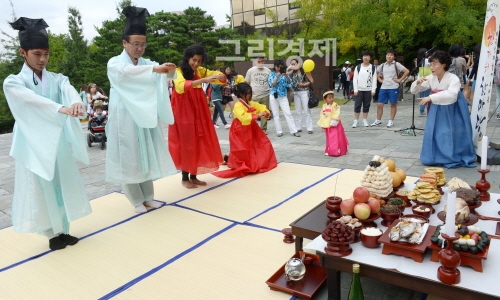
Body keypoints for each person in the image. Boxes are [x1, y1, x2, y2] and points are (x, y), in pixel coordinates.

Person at [3, 17, 91, 250]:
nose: (43, 59)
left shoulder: (56, 78)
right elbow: (30, 101)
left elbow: (68, 89)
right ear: (23, 52)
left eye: (46, 54)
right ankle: (51, 232)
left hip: (56, 139)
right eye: (37, 54)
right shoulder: (14, 82)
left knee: (61, 182)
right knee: (41, 185)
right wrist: (59, 108)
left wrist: (75, 103)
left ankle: (63, 228)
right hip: (32, 141)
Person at [106, 6, 178, 213]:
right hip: (125, 118)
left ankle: (148, 196)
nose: (140, 48)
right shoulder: (115, 63)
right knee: (128, 157)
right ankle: (136, 200)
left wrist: (168, 70)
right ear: (124, 43)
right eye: (136, 44)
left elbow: (159, 74)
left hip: (144, 116)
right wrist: (154, 69)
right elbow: (127, 72)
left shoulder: (147, 62)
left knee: (144, 155)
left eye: (143, 44)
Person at [169, 44, 227, 189]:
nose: (196, 64)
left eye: (199, 61)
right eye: (194, 60)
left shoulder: (200, 70)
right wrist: (203, 81)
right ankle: (184, 177)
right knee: (186, 141)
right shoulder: (178, 71)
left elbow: (215, 75)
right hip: (183, 109)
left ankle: (194, 176)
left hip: (198, 109)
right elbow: (181, 87)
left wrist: (219, 76)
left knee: (198, 139)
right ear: (188, 58)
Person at [410, 50, 476, 168]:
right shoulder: (431, 78)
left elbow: (452, 94)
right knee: (434, 131)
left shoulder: (452, 78)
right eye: (430, 64)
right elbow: (414, 91)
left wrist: (431, 97)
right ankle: (435, 156)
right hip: (436, 107)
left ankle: (451, 155)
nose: (432, 67)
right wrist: (417, 83)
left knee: (450, 132)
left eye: (435, 64)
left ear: (444, 64)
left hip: (453, 108)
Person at [212, 83, 277, 178]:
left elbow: (261, 107)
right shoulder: (238, 105)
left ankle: (228, 158)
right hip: (240, 130)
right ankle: (227, 158)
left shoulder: (251, 103)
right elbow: (243, 118)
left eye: (251, 93)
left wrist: (266, 112)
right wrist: (258, 115)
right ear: (241, 94)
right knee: (243, 150)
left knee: (261, 144)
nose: (250, 95)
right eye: (248, 93)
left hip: (251, 128)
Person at [372, 49, 409, 128]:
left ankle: (391, 121)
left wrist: (399, 80)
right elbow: (375, 72)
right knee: (379, 104)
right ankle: (378, 120)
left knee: (393, 104)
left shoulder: (396, 64)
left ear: (394, 57)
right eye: (388, 55)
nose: (389, 56)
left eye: (391, 55)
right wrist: (379, 79)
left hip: (393, 87)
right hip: (384, 87)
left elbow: (406, 71)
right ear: (386, 56)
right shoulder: (383, 65)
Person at [268, 59, 300, 137]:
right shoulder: (271, 74)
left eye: (281, 67)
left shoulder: (286, 74)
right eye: (278, 67)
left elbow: (290, 83)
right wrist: (277, 77)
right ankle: (279, 131)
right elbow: (272, 85)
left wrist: (286, 76)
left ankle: (294, 130)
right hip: (274, 96)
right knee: (276, 114)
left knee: (288, 113)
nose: (279, 68)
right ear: (275, 67)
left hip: (283, 96)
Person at [317, 91, 348, 156]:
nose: (331, 99)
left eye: (332, 97)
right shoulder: (324, 106)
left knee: (336, 137)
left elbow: (337, 112)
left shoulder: (335, 105)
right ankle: (329, 149)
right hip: (328, 124)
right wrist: (323, 122)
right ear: (325, 99)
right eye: (329, 98)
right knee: (329, 138)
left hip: (335, 124)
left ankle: (338, 150)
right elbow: (322, 114)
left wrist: (334, 120)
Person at [245, 56, 271, 133]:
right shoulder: (251, 70)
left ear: (264, 62)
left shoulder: (268, 71)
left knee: (265, 112)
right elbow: (247, 82)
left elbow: (270, 82)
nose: (260, 63)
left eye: (262, 61)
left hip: (265, 94)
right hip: (254, 95)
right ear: (256, 62)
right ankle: (253, 128)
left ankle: (263, 129)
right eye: (259, 61)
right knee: (252, 112)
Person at [289, 58, 314, 134]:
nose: (293, 65)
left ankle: (309, 128)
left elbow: (312, 81)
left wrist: (303, 84)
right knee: (298, 110)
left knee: (306, 110)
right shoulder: (292, 73)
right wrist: (289, 69)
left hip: (304, 92)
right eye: (291, 64)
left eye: (294, 64)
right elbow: (286, 75)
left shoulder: (305, 71)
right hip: (296, 93)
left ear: (298, 64)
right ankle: (298, 127)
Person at [352, 50, 377, 127]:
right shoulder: (358, 67)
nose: (365, 57)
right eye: (364, 56)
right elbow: (355, 79)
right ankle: (356, 120)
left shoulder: (372, 67)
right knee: (357, 105)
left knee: (366, 105)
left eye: (367, 56)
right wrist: (355, 89)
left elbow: (374, 79)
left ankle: (364, 120)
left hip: (368, 90)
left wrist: (373, 90)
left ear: (370, 58)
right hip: (359, 90)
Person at [416, 48, 431, 116]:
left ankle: (421, 110)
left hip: (420, 78)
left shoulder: (418, 61)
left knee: (422, 95)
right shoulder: (427, 60)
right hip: (427, 79)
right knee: (427, 95)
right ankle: (427, 110)